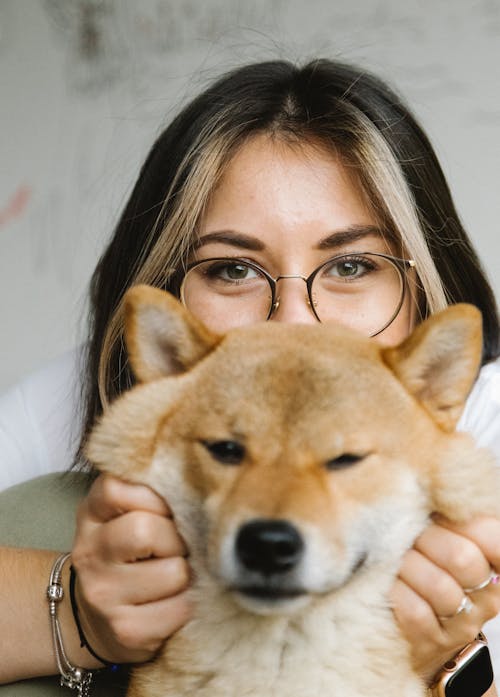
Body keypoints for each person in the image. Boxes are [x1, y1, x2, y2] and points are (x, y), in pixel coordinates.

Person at [1, 58, 500, 696]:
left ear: (423, 286)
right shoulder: (75, 402)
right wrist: (73, 613)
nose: (295, 321)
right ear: (162, 292)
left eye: (350, 265)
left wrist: (447, 671)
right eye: (233, 269)